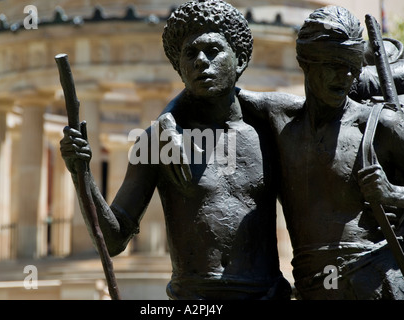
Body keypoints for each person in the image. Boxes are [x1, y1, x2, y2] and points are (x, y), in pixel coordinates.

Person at [60, 0, 291, 300]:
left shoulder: (271, 131)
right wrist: (83, 175)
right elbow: (114, 239)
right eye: (190, 53)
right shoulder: (156, 141)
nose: (200, 62)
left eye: (213, 50)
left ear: (241, 59)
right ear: (178, 68)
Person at [239, 6, 404, 299]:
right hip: (314, 286)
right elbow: (214, 91)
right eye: (333, 65)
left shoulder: (382, 124)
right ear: (305, 62)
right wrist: (167, 120)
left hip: (378, 283)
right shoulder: (278, 116)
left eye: (352, 66)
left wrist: (393, 194)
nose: (345, 77)